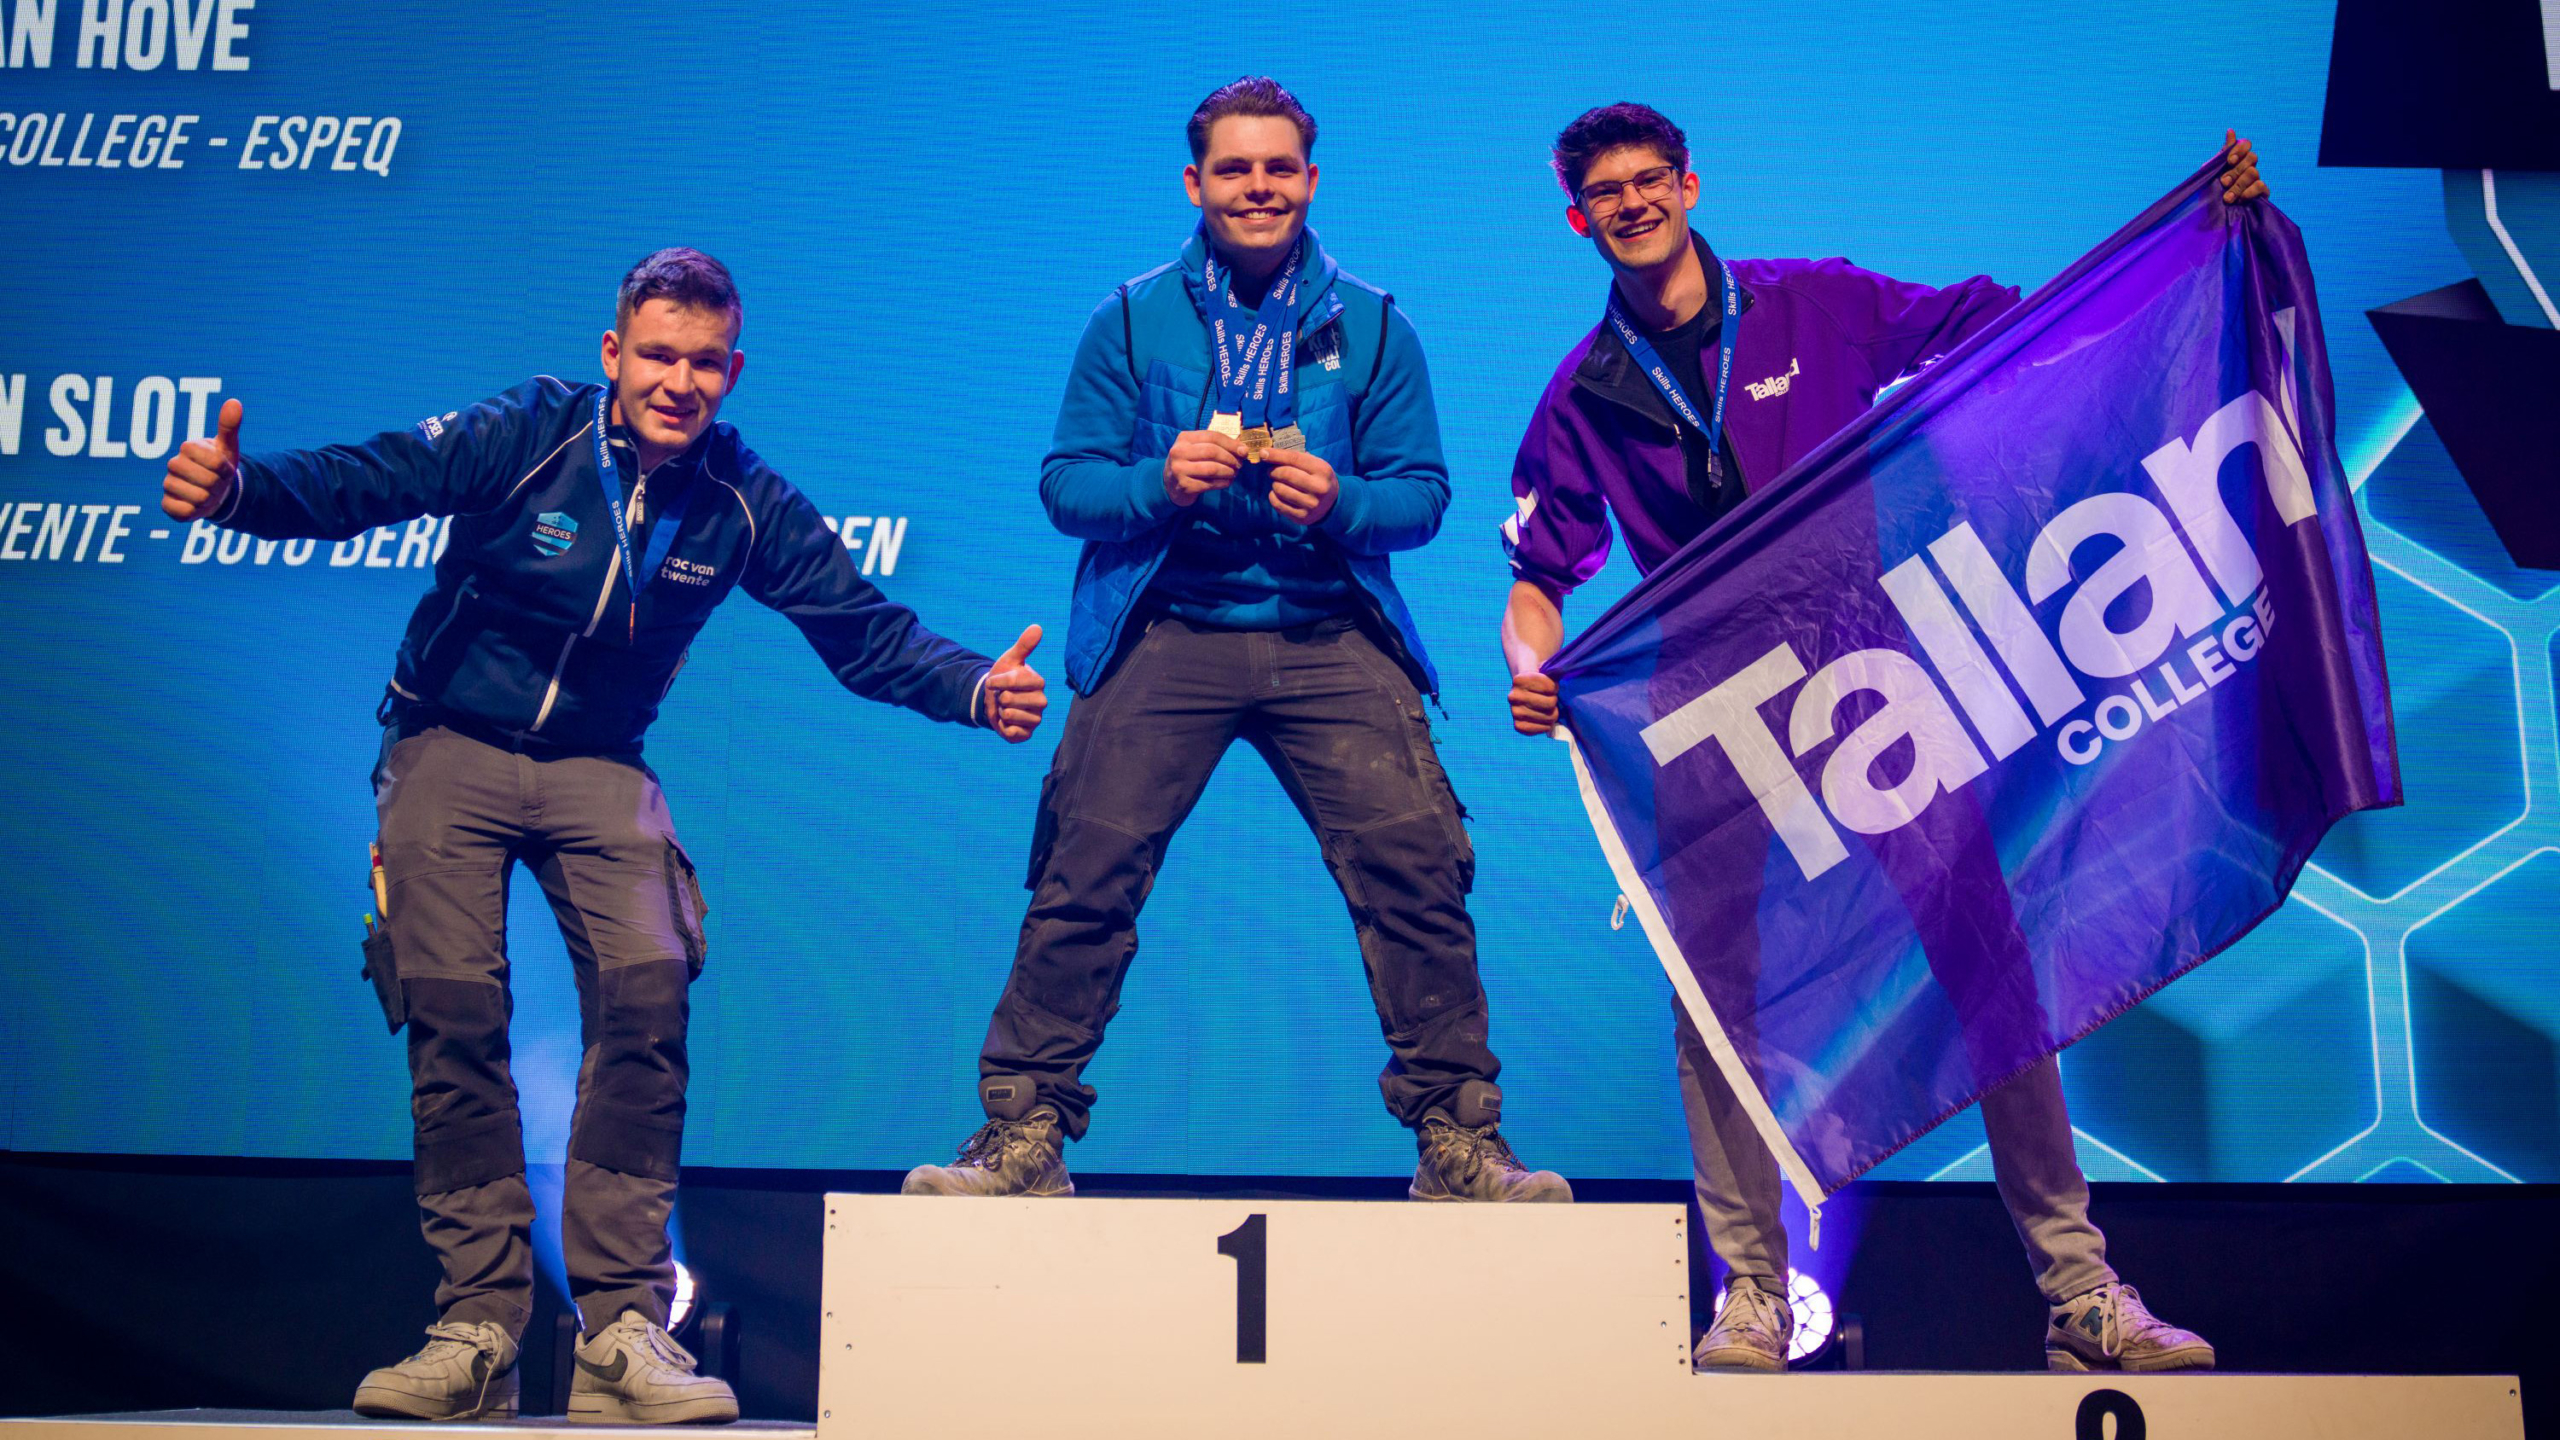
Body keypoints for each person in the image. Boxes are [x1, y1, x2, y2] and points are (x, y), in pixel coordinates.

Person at [160, 248, 1049, 1423]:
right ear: (612, 355)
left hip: (597, 768)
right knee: (456, 1011)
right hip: (448, 743)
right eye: (655, 355)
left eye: (702, 363)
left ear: (732, 370)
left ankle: (623, 1331)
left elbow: (860, 627)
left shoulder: (741, 501)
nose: (676, 382)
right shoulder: (529, 432)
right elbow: (371, 479)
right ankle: (475, 1327)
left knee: (648, 999)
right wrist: (239, 492)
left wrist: (973, 688)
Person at [1499, 104, 2268, 1373]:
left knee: (1984, 964)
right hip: (1714, 716)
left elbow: (2022, 321)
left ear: (1690, 185)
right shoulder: (1582, 396)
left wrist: (2195, 223)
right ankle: (1752, 1294)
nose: (1634, 205)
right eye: (1607, 194)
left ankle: (2080, 1293)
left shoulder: (1820, 304)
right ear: (1578, 217)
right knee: (1716, 1001)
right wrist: (1532, 666)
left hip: (1872, 680)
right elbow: (1538, 575)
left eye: (1652, 181)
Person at [902, 77, 1567, 1205]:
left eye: (1278, 169)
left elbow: (1423, 495)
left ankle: (1460, 1139)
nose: (1256, 188)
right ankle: (1021, 1135)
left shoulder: (1373, 323)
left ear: (1309, 180)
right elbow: (1066, 485)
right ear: (1195, 182)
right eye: (1233, 169)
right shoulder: (1131, 316)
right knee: (1085, 874)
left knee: (1415, 870)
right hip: (1169, 624)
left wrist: (1342, 502)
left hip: (1325, 629)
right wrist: (1157, 481)